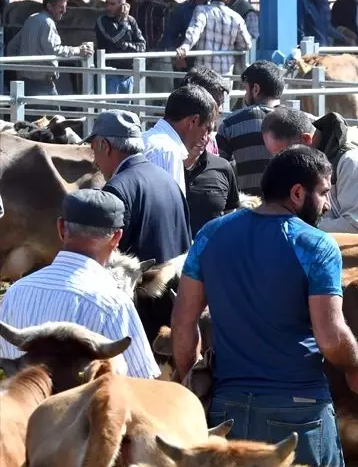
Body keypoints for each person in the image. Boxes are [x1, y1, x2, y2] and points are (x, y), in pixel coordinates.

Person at [172, 146, 358, 467]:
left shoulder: (210, 235)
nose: (327, 205)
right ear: (298, 193)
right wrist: (356, 368)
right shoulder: (316, 245)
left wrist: (192, 379)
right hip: (300, 411)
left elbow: (183, 325)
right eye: (324, 193)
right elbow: (330, 336)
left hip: (227, 409)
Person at [0, 190, 158, 379]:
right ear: (116, 238)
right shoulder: (113, 304)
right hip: (80, 408)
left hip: (18, 406)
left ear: (60, 228)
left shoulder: (16, 292)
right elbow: (142, 380)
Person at [88, 111, 192, 267]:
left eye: (93, 148)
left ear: (104, 145)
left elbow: (107, 260)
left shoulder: (116, 190)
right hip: (174, 287)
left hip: (138, 289)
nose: (94, 159)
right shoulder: (169, 181)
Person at [263, 107, 358, 236]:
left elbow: (356, 227)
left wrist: (295, 225)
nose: (281, 164)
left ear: (306, 140)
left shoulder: (351, 162)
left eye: (284, 154)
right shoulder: (298, 167)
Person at [217, 60, 285, 196]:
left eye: (245, 89)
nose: (245, 95)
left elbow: (219, 169)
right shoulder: (302, 121)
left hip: (249, 208)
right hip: (290, 209)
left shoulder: (230, 124)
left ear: (255, 89)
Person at [10, 0, 94, 98]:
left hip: (26, 80)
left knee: (32, 113)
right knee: (55, 114)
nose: (64, 11)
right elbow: (55, 50)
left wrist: (20, 68)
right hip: (43, 81)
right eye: (60, 7)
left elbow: (12, 46)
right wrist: (78, 50)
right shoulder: (48, 22)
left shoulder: (31, 19)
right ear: (49, 6)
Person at [143, 85, 219, 193]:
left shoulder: (146, 140)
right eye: (207, 128)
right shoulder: (167, 152)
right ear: (194, 121)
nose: (206, 137)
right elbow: (167, 207)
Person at [176, 0, 252, 76]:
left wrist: (185, 47)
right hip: (224, 75)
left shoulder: (201, 11)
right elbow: (247, 44)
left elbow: (194, 31)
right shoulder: (236, 17)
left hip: (202, 73)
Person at [184, 138, 239, 236]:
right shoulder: (166, 163)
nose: (204, 136)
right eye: (201, 127)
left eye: (208, 130)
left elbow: (230, 211)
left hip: (213, 248)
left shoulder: (223, 167)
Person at [94, 0, 146, 96]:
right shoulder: (102, 21)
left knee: (127, 110)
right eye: (106, 3)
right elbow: (115, 40)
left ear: (123, 5)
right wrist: (124, 21)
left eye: (112, 4)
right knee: (110, 110)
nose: (108, 7)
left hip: (128, 74)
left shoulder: (131, 21)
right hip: (110, 74)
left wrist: (124, 45)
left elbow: (142, 45)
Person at [136, 0, 176, 93]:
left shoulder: (137, 6)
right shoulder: (163, 8)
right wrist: (153, 51)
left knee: (145, 97)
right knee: (165, 96)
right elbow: (163, 33)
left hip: (141, 56)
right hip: (160, 58)